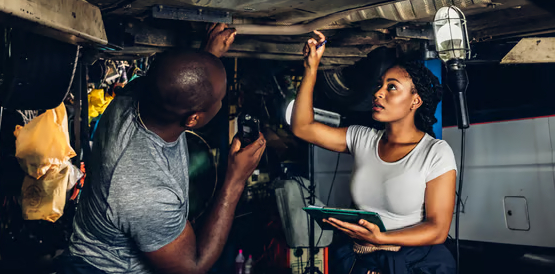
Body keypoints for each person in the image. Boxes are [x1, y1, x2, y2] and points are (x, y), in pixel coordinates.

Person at [60, 24, 267, 274]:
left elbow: (178, 85)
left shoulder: (136, 94)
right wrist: (235, 180)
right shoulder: (144, 191)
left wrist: (206, 57)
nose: (222, 103)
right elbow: (193, 266)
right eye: (219, 100)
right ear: (193, 120)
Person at [291, 31, 457, 274]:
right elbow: (302, 127)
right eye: (379, 85)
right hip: (362, 258)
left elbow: (438, 229)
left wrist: (382, 238)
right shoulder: (362, 138)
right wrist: (311, 68)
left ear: (415, 101)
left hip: (415, 263)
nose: (378, 93)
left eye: (392, 88)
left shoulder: (435, 152)